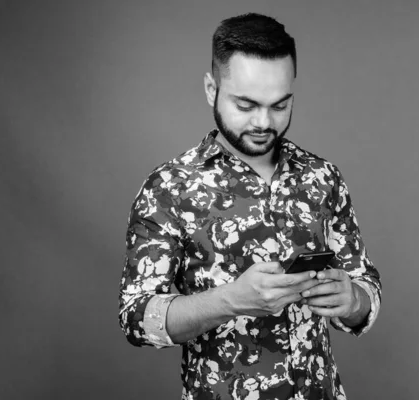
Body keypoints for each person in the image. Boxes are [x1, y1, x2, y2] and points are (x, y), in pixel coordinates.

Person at [118, 12, 381, 400]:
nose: (263, 121)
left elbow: (365, 287)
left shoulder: (323, 177)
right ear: (211, 89)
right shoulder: (169, 187)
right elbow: (137, 318)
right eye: (246, 104)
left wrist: (353, 300)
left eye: (279, 105)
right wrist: (229, 300)